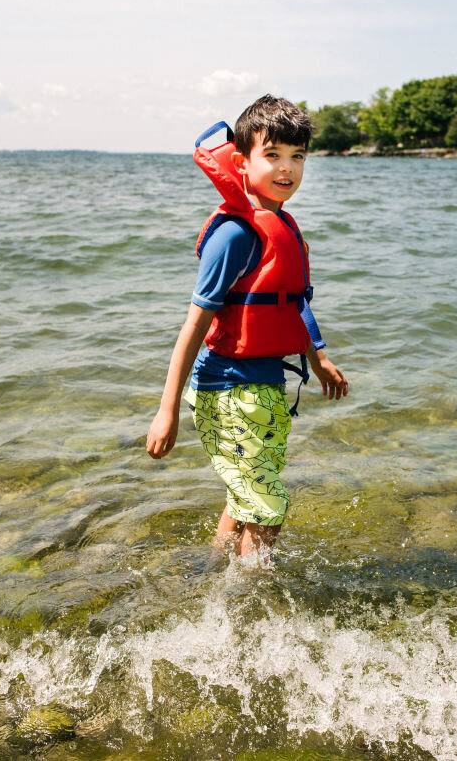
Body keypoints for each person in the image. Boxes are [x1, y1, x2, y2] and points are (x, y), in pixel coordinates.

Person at [145, 95, 348, 557]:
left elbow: (291, 302)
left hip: (265, 387)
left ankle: (210, 578)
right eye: (272, 154)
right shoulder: (236, 235)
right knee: (267, 505)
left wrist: (318, 358)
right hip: (229, 391)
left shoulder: (283, 225)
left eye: (298, 157)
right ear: (241, 161)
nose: (287, 168)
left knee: (248, 494)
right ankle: (250, 610)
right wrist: (167, 409)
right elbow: (193, 327)